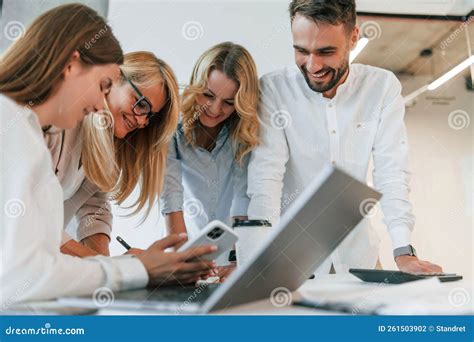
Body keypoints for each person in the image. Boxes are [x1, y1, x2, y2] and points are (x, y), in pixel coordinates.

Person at [0, 4, 214, 306]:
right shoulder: (13, 127)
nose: (100, 105)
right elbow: (23, 275)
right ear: (71, 65)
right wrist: (133, 269)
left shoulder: (30, 133)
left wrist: (119, 268)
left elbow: (40, 261)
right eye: (103, 86)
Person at [247, 0, 443, 274]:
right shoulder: (274, 89)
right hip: (291, 262)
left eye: (326, 51)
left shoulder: (381, 87)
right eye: (301, 51)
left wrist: (403, 250)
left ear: (353, 37)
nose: (313, 65)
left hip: (359, 257)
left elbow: (392, 172)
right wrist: (259, 255)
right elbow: (266, 176)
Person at [45, 51, 180, 257]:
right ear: (113, 80)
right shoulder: (55, 123)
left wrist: (105, 263)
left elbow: (94, 209)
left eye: (150, 116)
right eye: (141, 104)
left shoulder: (109, 143)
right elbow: (33, 221)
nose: (143, 122)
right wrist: (110, 267)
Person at [160, 42, 259, 270]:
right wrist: (182, 262)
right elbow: (171, 196)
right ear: (196, 85)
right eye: (207, 95)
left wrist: (238, 261)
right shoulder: (172, 128)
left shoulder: (243, 130)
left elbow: (242, 199)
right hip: (185, 243)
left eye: (228, 102)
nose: (215, 109)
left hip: (236, 249)